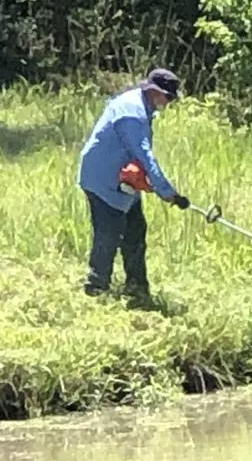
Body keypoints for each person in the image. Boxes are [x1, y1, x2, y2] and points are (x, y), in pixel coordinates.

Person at [77, 67, 190, 300]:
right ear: (153, 91)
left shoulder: (142, 106)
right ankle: (96, 288)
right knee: (109, 234)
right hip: (102, 178)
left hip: (125, 180)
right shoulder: (132, 114)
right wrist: (167, 192)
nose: (168, 102)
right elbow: (144, 155)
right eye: (168, 97)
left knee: (135, 231)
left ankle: (137, 288)